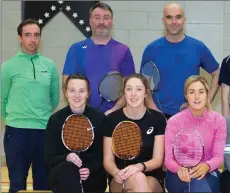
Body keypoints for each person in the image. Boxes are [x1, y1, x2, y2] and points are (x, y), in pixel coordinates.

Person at [1, 19, 60, 193]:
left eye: (36, 35)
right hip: (17, 133)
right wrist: (14, 119)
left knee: (43, 183)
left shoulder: (49, 65)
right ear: (20, 38)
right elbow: (1, 99)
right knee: (17, 184)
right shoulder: (8, 67)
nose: (33, 39)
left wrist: (40, 116)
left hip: (44, 132)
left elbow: (54, 98)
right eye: (28, 35)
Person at [141, 3, 220, 119]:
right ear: (163, 20)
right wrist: (156, 112)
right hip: (160, 116)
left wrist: (206, 102)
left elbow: (217, 73)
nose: (174, 22)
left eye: (178, 17)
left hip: (191, 115)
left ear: (184, 20)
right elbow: (144, 85)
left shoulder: (198, 47)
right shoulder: (151, 50)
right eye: (169, 17)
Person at [62, 2, 135, 114]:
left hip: (113, 116)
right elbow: (66, 84)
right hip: (81, 116)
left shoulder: (123, 50)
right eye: (97, 18)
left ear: (112, 22)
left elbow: (130, 89)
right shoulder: (76, 49)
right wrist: (80, 109)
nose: (101, 22)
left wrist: (113, 111)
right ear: (90, 21)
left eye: (106, 18)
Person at [103, 74, 166, 192]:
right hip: (119, 178)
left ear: (145, 93)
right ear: (124, 93)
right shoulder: (111, 120)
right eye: (129, 89)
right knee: (138, 179)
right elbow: (108, 160)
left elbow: (158, 160)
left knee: (139, 178)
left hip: (151, 176)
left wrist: (139, 167)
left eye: (138, 89)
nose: (133, 94)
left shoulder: (158, 119)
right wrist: (116, 172)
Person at [44, 74, 107, 193]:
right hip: (62, 178)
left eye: (82, 91)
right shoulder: (55, 120)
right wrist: (66, 157)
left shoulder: (99, 119)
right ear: (66, 93)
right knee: (69, 168)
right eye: (72, 90)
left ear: (88, 93)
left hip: (92, 178)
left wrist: (90, 169)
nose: (77, 95)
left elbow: (103, 155)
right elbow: (49, 159)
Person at [164, 75, 226, 193]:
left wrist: (207, 166)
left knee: (198, 185)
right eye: (192, 92)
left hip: (208, 171)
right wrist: (179, 168)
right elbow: (168, 159)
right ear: (186, 96)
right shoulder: (174, 122)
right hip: (177, 172)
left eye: (201, 92)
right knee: (194, 186)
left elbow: (218, 157)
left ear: (207, 94)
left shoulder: (219, 120)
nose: (197, 97)